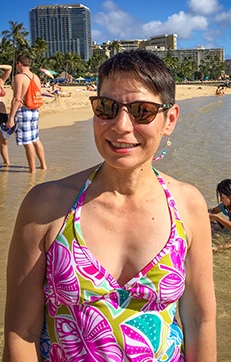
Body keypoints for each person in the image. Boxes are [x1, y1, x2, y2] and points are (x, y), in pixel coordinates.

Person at [3, 50, 216, 361]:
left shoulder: (188, 205)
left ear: (170, 119)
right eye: (107, 108)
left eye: (142, 111)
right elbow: (21, 334)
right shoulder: (46, 207)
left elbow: (199, 321)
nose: (120, 126)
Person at [6, 54, 47, 173]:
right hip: (34, 111)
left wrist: (11, 118)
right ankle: (43, 166)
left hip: (24, 112)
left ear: (19, 64)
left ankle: (32, 170)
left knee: (27, 142)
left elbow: (16, 99)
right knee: (36, 139)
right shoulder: (36, 77)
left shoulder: (19, 77)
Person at [0, 64, 12, 165]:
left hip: (3, 115)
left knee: (4, 141)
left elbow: (9, 68)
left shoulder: (1, 81)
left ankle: (6, 164)